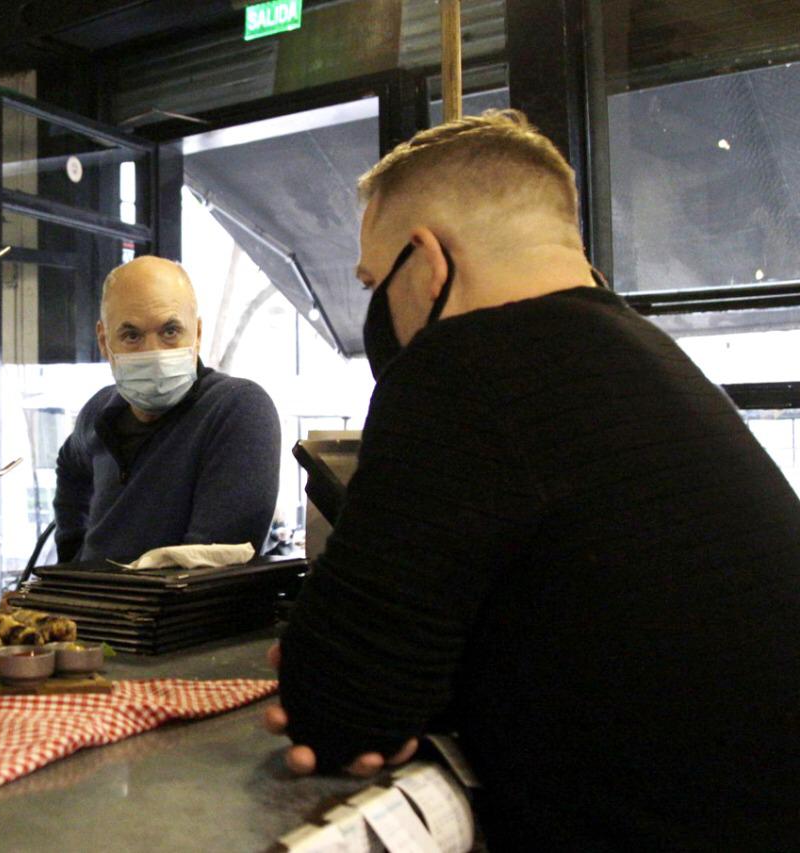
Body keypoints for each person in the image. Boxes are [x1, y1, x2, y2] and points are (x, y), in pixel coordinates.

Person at [264, 110, 800, 850]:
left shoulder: (463, 370)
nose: (374, 311)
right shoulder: (644, 357)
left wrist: (363, 688)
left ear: (425, 263)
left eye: (371, 280)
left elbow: (336, 706)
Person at [53, 255, 281, 564]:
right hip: (87, 608)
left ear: (197, 335)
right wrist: (72, 561)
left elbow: (207, 571)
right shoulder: (100, 412)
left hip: (179, 612)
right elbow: (70, 465)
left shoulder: (235, 410)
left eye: (170, 331)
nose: (154, 353)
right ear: (105, 342)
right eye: (131, 335)